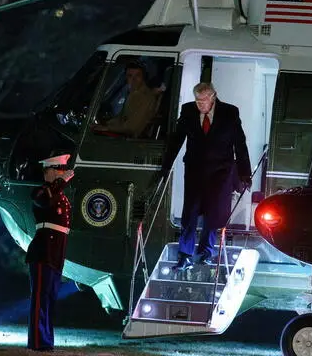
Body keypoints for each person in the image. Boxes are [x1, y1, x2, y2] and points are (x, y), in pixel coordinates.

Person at [157, 82, 252, 271]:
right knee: (190, 213)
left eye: (203, 101)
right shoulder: (188, 111)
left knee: (213, 213)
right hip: (194, 170)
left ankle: (206, 253)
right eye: (197, 101)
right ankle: (185, 256)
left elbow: (240, 144)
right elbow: (177, 139)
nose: (200, 105)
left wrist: (244, 173)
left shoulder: (230, 113)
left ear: (213, 97)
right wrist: (165, 167)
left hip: (220, 172)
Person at [26, 152, 74, 352]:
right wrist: (60, 182)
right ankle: (37, 341)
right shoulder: (41, 192)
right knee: (40, 298)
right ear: (49, 172)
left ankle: (46, 341)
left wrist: (60, 184)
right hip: (43, 251)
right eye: (58, 170)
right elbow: (45, 201)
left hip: (56, 251)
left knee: (50, 297)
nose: (62, 174)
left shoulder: (59, 195)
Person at [93, 61, 161, 138]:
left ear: (143, 77)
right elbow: (120, 118)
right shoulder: (133, 94)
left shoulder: (146, 97)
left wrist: (108, 128)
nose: (133, 79)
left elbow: (132, 128)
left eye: (137, 75)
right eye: (130, 76)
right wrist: (104, 125)